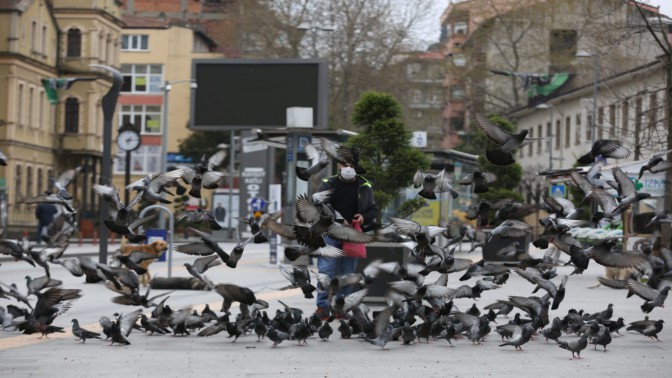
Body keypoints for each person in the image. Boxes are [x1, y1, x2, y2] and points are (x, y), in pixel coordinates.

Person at [314, 158, 377, 320]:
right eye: (344, 165)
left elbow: (372, 209)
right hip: (330, 233)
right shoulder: (328, 183)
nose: (348, 168)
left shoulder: (364, 185)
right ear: (339, 166)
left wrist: (363, 217)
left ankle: (341, 308)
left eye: (351, 165)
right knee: (325, 271)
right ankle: (322, 307)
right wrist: (340, 220)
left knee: (348, 273)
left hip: (352, 235)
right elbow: (319, 206)